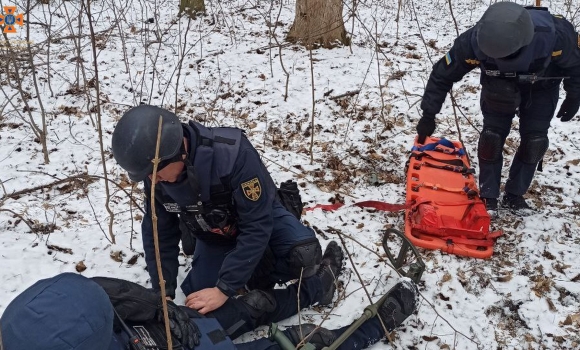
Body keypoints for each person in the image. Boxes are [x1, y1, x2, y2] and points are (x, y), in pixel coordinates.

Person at [111, 105, 324, 313]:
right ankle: (244, 270)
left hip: (261, 219)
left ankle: (273, 274)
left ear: (179, 153)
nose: (152, 180)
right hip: (212, 232)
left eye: (155, 172)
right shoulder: (156, 173)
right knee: (198, 299)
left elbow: (257, 225)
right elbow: (158, 230)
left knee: (303, 255)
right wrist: (163, 290)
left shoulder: (233, 155)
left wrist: (225, 287)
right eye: (147, 175)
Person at [416, 1, 580, 213]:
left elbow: (576, 66)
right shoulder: (473, 42)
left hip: (542, 86)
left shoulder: (556, 36)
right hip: (498, 86)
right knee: (491, 139)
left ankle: (515, 194)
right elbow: (442, 75)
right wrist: (429, 113)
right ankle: (489, 195)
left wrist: (574, 94)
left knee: (535, 142)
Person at [0, 269, 418, 349]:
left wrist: (164, 314)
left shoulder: (28, 318)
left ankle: (315, 287)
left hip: (171, 331)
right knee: (302, 342)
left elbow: (106, 293)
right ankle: (377, 323)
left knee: (253, 305)